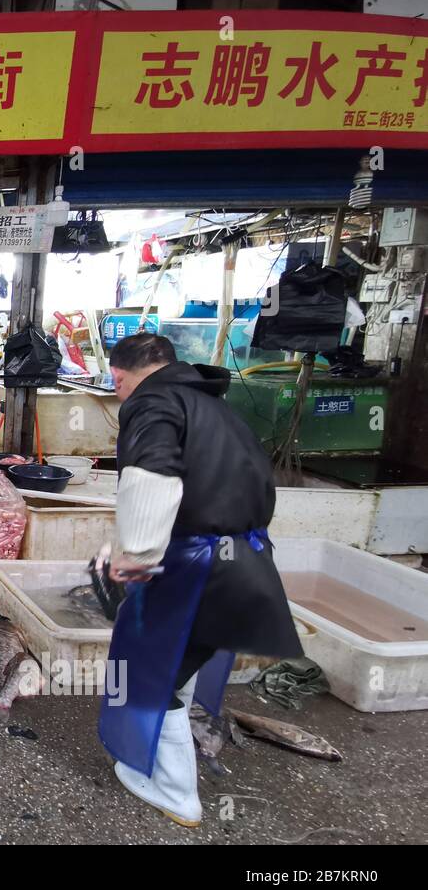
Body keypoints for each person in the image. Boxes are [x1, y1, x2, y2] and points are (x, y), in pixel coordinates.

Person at [95, 333, 301, 827]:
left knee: (147, 673)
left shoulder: (152, 403)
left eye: (116, 383)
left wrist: (135, 555)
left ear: (120, 376)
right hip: (249, 561)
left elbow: (152, 477)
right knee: (182, 664)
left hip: (197, 570)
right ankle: (166, 755)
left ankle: (173, 790)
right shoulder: (218, 408)